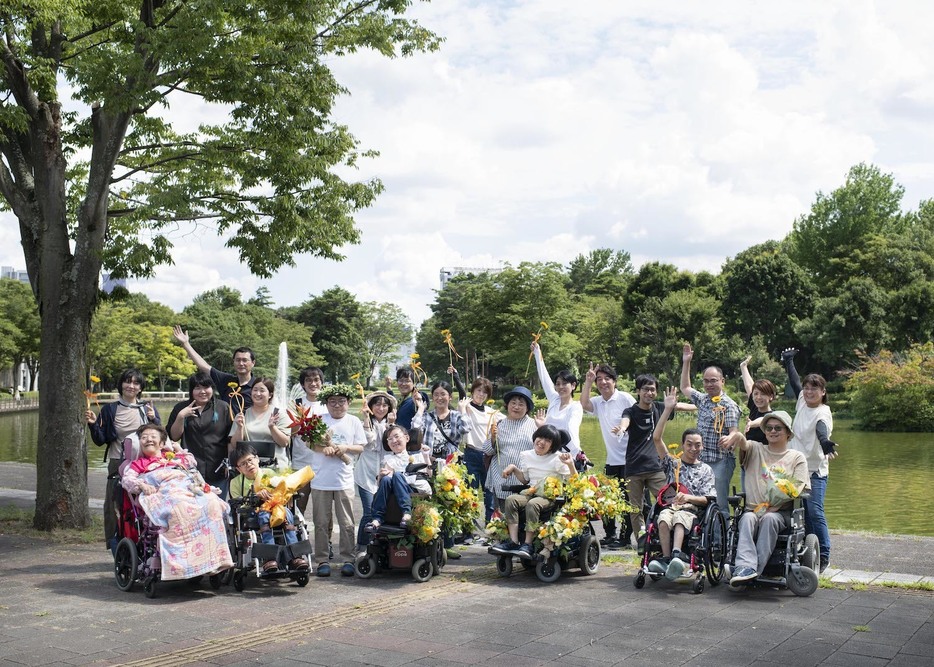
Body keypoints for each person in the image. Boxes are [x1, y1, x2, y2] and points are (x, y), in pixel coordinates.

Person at [121, 424, 234, 579]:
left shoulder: (175, 458)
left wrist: (178, 450)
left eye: (153, 437)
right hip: (166, 493)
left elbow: (191, 463)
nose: (148, 440)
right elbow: (127, 480)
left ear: (161, 444)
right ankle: (181, 565)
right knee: (178, 508)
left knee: (213, 502)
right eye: (144, 437)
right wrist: (142, 484)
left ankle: (214, 559)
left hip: (187, 489)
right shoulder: (138, 464)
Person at [723, 411, 809, 585]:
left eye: (778, 428)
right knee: (746, 518)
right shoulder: (756, 448)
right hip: (753, 509)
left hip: (780, 513)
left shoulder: (796, 457)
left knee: (769, 519)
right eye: (769, 428)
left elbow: (799, 487)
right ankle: (745, 567)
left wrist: (777, 505)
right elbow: (743, 443)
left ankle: (753, 570)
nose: (773, 431)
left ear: (788, 433)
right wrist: (738, 435)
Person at [86, 368, 161, 553]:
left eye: (136, 383)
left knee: (142, 506)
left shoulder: (146, 409)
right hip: (117, 464)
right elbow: (100, 439)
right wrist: (93, 424)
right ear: (121, 384)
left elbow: (159, 437)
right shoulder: (110, 409)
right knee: (113, 506)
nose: (131, 386)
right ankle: (116, 547)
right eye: (128, 382)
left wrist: (154, 419)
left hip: (144, 465)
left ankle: (144, 545)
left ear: (140, 388)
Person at [613, 374, 693, 544]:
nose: (649, 393)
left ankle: (669, 538)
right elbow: (624, 422)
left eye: (652, 389)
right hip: (634, 468)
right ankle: (642, 542)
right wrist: (621, 428)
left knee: (669, 502)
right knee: (635, 509)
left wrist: (700, 405)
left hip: (656, 467)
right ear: (638, 391)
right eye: (645, 389)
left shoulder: (659, 408)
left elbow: (679, 407)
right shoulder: (631, 411)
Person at [647, 387, 716, 581]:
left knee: (680, 518)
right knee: (662, 517)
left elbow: (708, 498)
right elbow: (656, 438)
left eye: (698, 445)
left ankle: (677, 555)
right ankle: (667, 558)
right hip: (672, 507)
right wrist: (668, 409)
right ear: (683, 444)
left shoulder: (706, 470)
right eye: (689, 444)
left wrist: (688, 498)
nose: (694, 449)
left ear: (702, 446)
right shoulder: (673, 464)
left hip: (692, 511)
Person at [782, 348, 836, 573]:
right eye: (807, 387)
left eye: (814, 388)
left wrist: (825, 443)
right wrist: (789, 361)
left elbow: (822, 430)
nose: (808, 391)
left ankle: (823, 556)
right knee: (798, 513)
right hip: (794, 469)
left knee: (815, 512)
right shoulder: (802, 402)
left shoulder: (823, 412)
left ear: (823, 392)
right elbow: (795, 381)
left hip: (814, 471)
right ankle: (802, 552)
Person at [309, 384, 365, 577]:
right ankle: (322, 560)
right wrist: (322, 448)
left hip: (344, 480)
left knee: (347, 522)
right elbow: (310, 443)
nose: (337, 405)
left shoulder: (354, 421)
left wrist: (345, 447)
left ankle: (348, 559)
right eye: (332, 401)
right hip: (320, 480)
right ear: (326, 403)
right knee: (321, 522)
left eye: (341, 401)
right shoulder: (319, 420)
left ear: (348, 402)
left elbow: (360, 447)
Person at [679, 343, 740, 521]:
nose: (709, 384)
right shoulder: (703, 400)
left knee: (719, 503)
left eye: (713, 380)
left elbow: (734, 432)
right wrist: (686, 362)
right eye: (706, 381)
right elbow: (685, 387)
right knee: (698, 501)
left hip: (720, 460)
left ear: (722, 381)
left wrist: (729, 438)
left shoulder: (728, 405)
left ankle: (723, 541)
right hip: (700, 459)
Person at [496, 425, 577, 558]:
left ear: (552, 446)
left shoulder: (558, 458)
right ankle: (514, 541)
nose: (542, 442)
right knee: (511, 500)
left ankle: (527, 544)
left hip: (549, 496)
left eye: (548, 440)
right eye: (540, 437)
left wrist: (570, 464)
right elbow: (525, 480)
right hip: (532, 491)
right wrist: (513, 468)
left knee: (533, 504)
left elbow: (573, 480)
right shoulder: (526, 455)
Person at [229, 443, 309, 572]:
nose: (248, 464)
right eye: (243, 464)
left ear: (257, 459)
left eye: (250, 460)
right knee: (264, 515)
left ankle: (296, 557)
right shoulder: (235, 482)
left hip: (277, 508)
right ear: (238, 469)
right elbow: (237, 504)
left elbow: (282, 490)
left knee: (287, 514)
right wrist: (255, 497)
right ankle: (270, 558)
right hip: (254, 512)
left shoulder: (270, 473)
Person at [580, 362, 635, 549]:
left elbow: (640, 417)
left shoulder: (625, 398)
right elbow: (584, 404)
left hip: (631, 459)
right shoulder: (598, 401)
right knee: (607, 498)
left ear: (614, 381)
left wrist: (624, 427)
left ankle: (625, 537)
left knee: (629, 500)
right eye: (599, 379)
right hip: (612, 460)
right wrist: (588, 382)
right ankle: (610, 535)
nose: (603, 382)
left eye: (607, 379)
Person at [167, 372, 234, 498]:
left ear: (212, 389)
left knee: (218, 509)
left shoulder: (223, 407)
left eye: (206, 387)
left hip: (218, 468)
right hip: (190, 470)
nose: (202, 391)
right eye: (197, 388)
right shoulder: (180, 408)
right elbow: (174, 437)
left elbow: (230, 438)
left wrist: (229, 464)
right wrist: (181, 417)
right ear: (191, 390)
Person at [366, 424, 432, 531]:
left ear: (406, 438)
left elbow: (429, 475)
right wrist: (381, 477)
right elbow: (382, 485)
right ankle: (377, 518)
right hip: (396, 492)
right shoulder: (389, 460)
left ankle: (407, 513)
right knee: (386, 479)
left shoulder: (418, 455)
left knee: (397, 475)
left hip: (414, 491)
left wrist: (426, 456)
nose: (394, 440)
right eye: (390, 439)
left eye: (397, 436)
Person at [173, 326, 257, 408]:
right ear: (233, 362)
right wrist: (185, 344)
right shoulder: (226, 381)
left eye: (245, 360)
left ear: (253, 363)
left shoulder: (258, 386)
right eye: (238, 360)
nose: (241, 363)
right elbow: (204, 367)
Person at [356, 391, 397, 551]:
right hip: (366, 470)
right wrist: (366, 419)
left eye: (384, 405)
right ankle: (362, 546)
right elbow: (367, 441)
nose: (381, 408)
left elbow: (393, 445)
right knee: (369, 512)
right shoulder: (364, 423)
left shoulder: (391, 424)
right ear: (371, 406)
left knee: (383, 512)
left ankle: (379, 545)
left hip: (385, 471)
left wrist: (392, 425)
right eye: (377, 404)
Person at [458, 376, 502, 525]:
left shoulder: (492, 412)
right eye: (478, 390)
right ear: (473, 391)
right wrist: (457, 376)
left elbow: (508, 420)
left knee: (489, 492)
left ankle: (490, 526)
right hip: (471, 453)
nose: (481, 394)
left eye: (484, 392)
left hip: (488, 455)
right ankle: (469, 527)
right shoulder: (467, 407)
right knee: (471, 492)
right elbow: (461, 392)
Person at [531, 342, 584, 457]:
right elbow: (544, 378)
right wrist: (537, 352)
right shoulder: (555, 400)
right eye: (558, 384)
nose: (560, 387)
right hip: (547, 451)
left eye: (565, 384)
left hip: (566, 452)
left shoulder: (575, 407)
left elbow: (571, 430)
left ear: (573, 385)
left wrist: (577, 453)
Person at [228, 377, 291, 468]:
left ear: (270, 395)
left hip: (275, 467)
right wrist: (240, 428)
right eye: (255, 390)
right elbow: (235, 445)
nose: (258, 393)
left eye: (262, 390)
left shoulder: (279, 414)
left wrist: (272, 427)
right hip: (250, 469)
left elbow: (284, 442)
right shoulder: (243, 414)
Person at [290, 366, 328, 514]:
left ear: (322, 382)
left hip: (324, 464)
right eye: (308, 380)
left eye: (316, 380)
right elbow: (290, 433)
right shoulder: (296, 404)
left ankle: (326, 538)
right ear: (303, 385)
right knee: (298, 507)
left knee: (323, 510)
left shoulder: (328, 403)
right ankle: (298, 536)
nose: (313, 384)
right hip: (301, 463)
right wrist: (299, 422)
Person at [738, 356, 777, 492]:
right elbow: (750, 386)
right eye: (756, 394)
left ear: (771, 396)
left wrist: (752, 423)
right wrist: (744, 367)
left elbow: (764, 420)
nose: (758, 397)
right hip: (748, 462)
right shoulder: (755, 407)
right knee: (747, 496)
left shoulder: (775, 416)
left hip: (766, 465)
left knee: (763, 496)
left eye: (763, 394)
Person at [412, 380, 468, 460]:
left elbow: (466, 429)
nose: (439, 398)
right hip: (429, 461)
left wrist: (462, 409)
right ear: (432, 397)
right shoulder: (427, 417)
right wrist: (420, 409)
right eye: (436, 395)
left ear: (450, 397)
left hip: (451, 464)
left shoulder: (456, 416)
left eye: (443, 394)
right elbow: (415, 429)